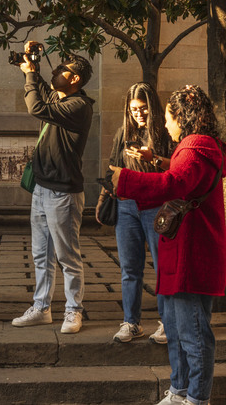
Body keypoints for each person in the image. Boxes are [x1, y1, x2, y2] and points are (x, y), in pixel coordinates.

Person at [109, 85, 226, 405]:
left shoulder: (196, 147)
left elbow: (175, 183)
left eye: (167, 117)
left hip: (193, 252)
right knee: (176, 329)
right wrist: (160, 161)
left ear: (182, 117)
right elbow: (181, 175)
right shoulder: (194, 146)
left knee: (193, 333)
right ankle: (178, 391)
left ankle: (196, 399)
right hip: (184, 249)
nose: (166, 124)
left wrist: (126, 179)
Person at [10, 41, 94, 334]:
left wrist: (32, 75)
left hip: (64, 193)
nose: (56, 70)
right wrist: (33, 66)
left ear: (75, 79)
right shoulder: (61, 99)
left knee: (67, 256)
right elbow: (44, 92)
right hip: (42, 188)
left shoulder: (79, 106)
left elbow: (36, 106)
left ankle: (73, 311)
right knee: (41, 254)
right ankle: (42, 308)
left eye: (62, 69)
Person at [97, 82, 172, 343]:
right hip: (127, 206)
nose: (138, 114)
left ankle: (166, 323)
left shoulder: (165, 133)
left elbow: (176, 170)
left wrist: (151, 158)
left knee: (163, 267)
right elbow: (112, 168)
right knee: (130, 268)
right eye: (133, 110)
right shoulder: (123, 133)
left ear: (153, 108)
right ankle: (131, 322)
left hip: (156, 206)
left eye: (144, 109)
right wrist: (107, 193)